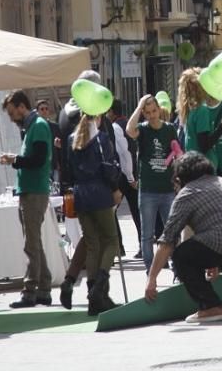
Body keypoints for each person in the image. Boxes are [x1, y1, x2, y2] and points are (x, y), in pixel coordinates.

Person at [144, 152, 222, 323]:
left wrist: (152, 278)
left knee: (180, 255)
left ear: (180, 178)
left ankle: (210, 306)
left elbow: (167, 241)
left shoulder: (187, 193)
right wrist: (212, 259)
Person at [0, 89, 54, 309]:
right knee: (34, 243)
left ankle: (30, 291)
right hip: (30, 190)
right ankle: (44, 288)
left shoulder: (38, 126)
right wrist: (17, 160)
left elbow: (38, 160)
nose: (12, 118)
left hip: (35, 191)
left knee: (31, 244)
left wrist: (16, 160)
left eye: (12, 112)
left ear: (22, 107)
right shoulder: (32, 127)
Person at [68, 112, 123, 315]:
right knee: (111, 240)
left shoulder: (72, 139)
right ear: (98, 117)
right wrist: (115, 187)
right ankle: (99, 286)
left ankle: (94, 297)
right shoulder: (100, 138)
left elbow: (68, 168)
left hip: (81, 193)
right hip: (99, 192)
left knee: (92, 245)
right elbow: (108, 167)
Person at [126, 94, 180, 273]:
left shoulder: (170, 129)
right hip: (148, 190)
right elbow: (129, 130)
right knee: (147, 235)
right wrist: (139, 104)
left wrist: (178, 180)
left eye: (154, 111)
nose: (152, 115)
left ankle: (178, 268)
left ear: (159, 109)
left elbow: (177, 153)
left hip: (167, 189)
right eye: (147, 112)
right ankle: (151, 271)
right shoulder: (142, 129)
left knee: (172, 233)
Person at [179, 67, 222, 182]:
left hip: (193, 164)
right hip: (203, 168)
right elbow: (204, 144)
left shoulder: (189, 109)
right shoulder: (202, 110)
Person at [108, 98, 141, 255]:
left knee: (111, 210)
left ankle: (118, 247)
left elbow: (124, 152)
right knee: (136, 211)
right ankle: (143, 246)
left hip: (124, 175)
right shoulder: (130, 124)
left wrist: (129, 176)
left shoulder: (115, 127)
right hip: (133, 173)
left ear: (112, 112)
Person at [36, 99, 63, 180]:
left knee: (56, 190)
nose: (44, 111)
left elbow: (61, 146)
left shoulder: (55, 127)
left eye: (46, 109)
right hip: (41, 167)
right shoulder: (35, 128)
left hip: (54, 165)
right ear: (37, 112)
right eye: (42, 109)